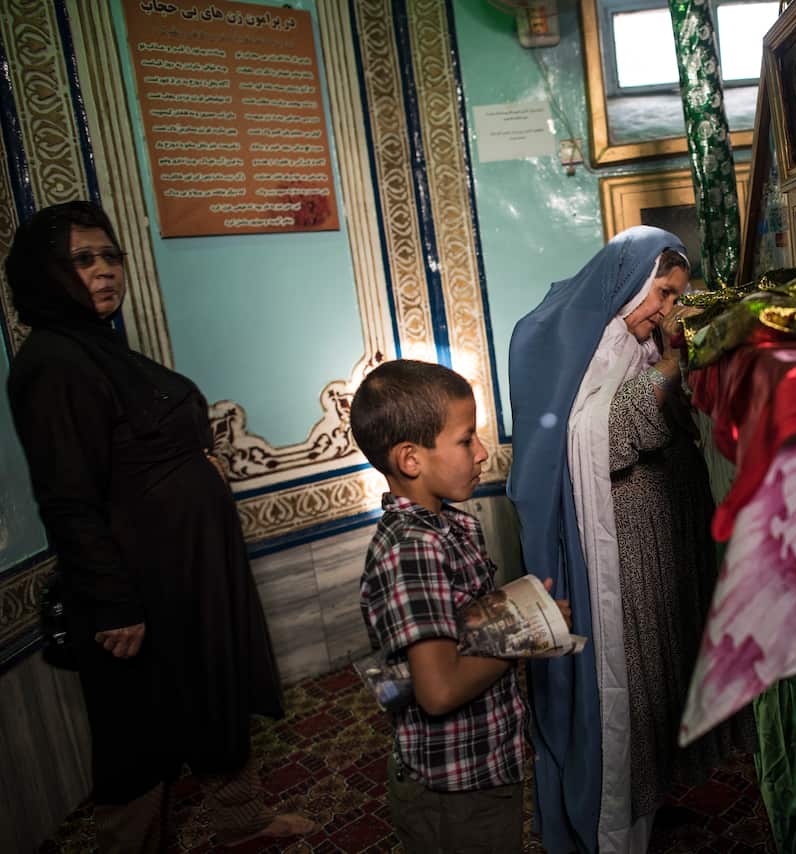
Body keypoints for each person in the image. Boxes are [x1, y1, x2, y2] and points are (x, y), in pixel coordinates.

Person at [4, 201, 312, 851]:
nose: (105, 271)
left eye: (110, 256)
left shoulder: (99, 352)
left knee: (212, 697)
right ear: (45, 274)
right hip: (137, 592)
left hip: (185, 575)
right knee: (139, 733)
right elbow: (67, 497)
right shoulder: (52, 364)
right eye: (83, 260)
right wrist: (114, 603)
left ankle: (238, 817)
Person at [508, 226, 755, 854]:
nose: (668, 310)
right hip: (619, 558)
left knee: (660, 686)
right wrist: (680, 363)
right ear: (632, 284)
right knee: (632, 694)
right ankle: (620, 825)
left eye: (677, 298)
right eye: (663, 294)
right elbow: (610, 434)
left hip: (659, 545)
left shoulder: (631, 342)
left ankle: (649, 805)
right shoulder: (580, 341)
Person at [351, 359, 568, 854]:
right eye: (466, 439)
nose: (482, 452)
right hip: (455, 791)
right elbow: (439, 690)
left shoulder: (444, 526)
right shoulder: (414, 547)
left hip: (479, 767)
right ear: (411, 459)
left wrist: (520, 606)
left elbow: (458, 622)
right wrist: (528, 635)